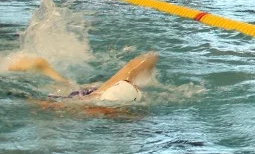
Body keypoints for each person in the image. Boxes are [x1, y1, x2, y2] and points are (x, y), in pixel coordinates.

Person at [6, 51, 158, 105]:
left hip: (95, 93)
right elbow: (50, 106)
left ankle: (46, 70)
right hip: (88, 99)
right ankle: (45, 69)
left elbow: (150, 57)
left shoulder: (117, 88)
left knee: (67, 87)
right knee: (60, 93)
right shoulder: (95, 107)